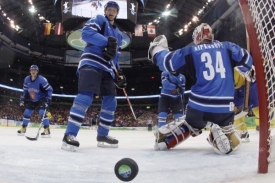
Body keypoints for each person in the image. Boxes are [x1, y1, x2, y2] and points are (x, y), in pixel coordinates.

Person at [148, 23, 254, 154]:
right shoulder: (228, 47)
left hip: (199, 106)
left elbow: (167, 62)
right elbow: (247, 60)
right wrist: (247, 69)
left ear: (197, 37)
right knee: (225, 125)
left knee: (190, 123)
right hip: (225, 108)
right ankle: (223, 133)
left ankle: (166, 138)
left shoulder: (191, 52)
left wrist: (157, 49)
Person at [61, 1, 126, 151]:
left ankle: (102, 135)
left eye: (114, 10)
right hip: (91, 63)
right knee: (85, 97)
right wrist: (106, 42)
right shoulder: (99, 19)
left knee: (111, 101)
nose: (111, 12)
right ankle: (69, 135)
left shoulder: (119, 35)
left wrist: (119, 72)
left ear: (117, 13)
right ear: (105, 11)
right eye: (108, 9)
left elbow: (115, 55)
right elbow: (87, 34)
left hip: (108, 69)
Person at [17, 65, 53, 138]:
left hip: (42, 99)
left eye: (35, 70)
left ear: (37, 72)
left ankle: (47, 129)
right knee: (26, 113)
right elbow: (25, 90)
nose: (33, 71)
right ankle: (23, 128)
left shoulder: (41, 79)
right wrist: (23, 97)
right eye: (32, 70)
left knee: (42, 112)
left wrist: (48, 98)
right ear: (30, 71)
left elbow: (50, 89)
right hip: (33, 99)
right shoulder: (26, 79)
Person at [233, 67, 259, 143]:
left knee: (257, 107)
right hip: (236, 88)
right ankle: (242, 132)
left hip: (248, 83)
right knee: (233, 109)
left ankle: (265, 121)